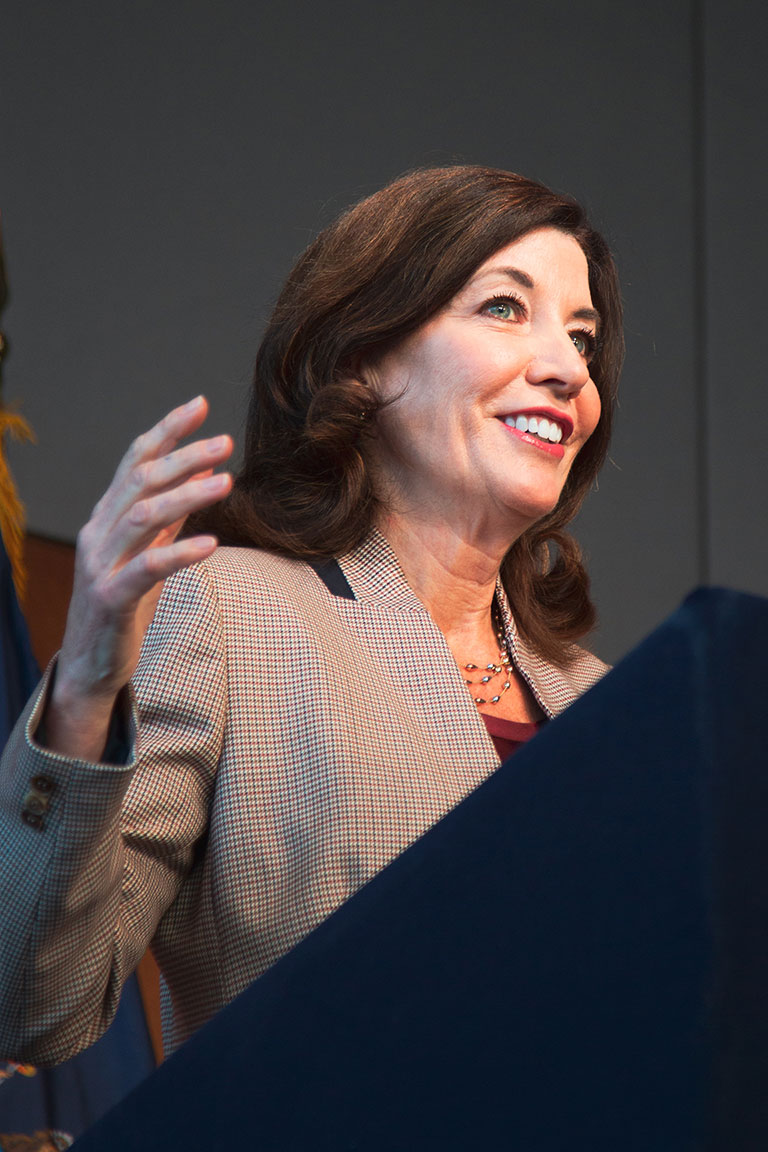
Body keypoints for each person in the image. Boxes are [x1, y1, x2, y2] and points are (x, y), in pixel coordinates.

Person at [0, 165, 623, 1065]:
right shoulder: (233, 613)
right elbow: (34, 1008)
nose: (569, 368)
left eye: (583, 336)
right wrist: (90, 685)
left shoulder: (602, 700)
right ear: (365, 359)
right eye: (503, 307)